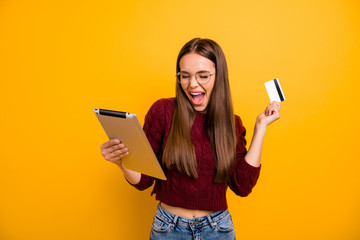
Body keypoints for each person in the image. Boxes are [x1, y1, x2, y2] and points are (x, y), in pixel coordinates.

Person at [100, 38, 281, 240]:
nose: (192, 84)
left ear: (218, 76)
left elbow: (242, 186)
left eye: (203, 76)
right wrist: (121, 161)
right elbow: (144, 180)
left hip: (218, 230)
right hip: (168, 229)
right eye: (185, 76)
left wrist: (260, 128)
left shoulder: (232, 124)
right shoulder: (163, 112)